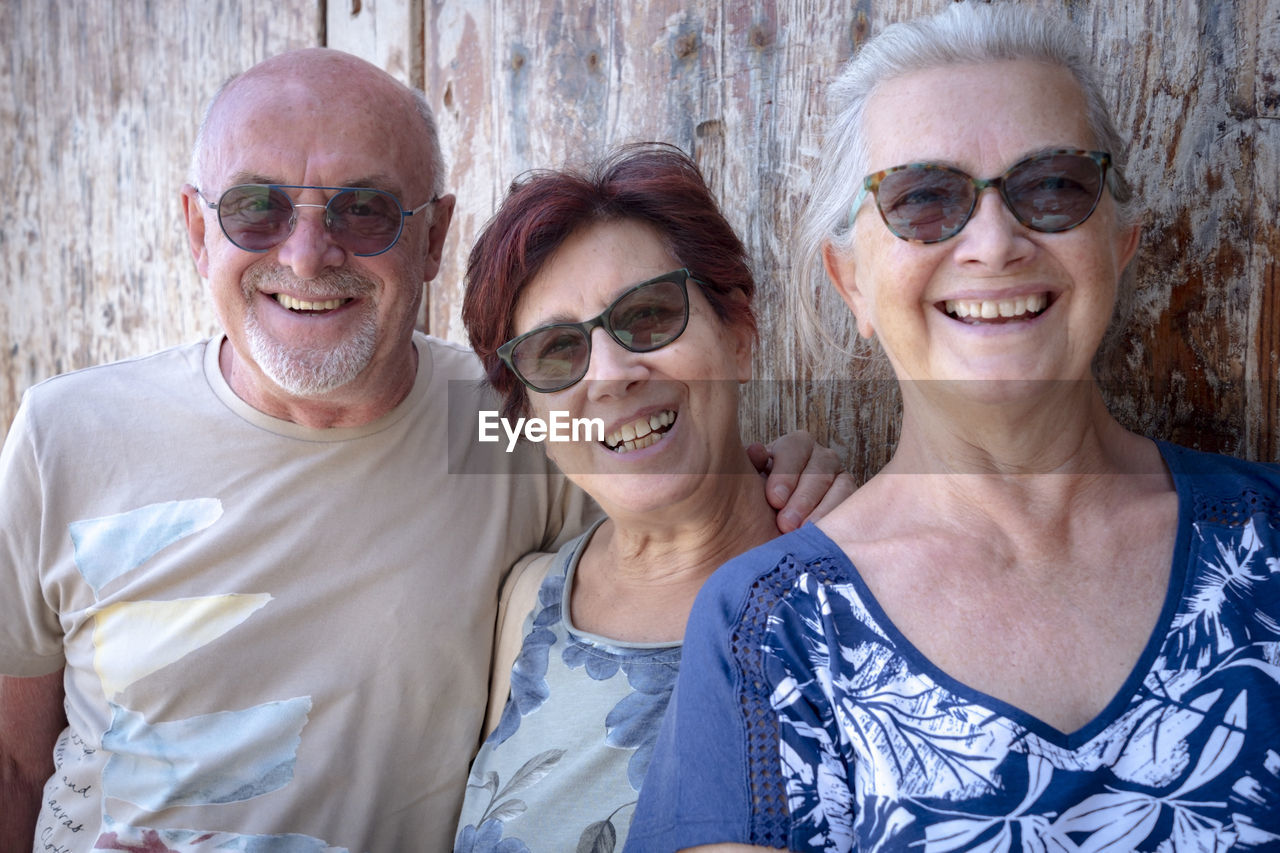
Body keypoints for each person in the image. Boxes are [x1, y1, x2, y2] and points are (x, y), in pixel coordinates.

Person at [0, 50, 846, 853]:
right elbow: (11, 762)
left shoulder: (505, 418)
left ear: (434, 235)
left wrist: (804, 479)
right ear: (195, 228)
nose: (305, 254)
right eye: (255, 207)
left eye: (361, 209)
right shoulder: (65, 436)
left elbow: (665, 460)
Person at [626, 4, 1280, 851]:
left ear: (1119, 243)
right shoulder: (773, 628)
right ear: (852, 281)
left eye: (1053, 185)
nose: (995, 241)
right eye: (924, 199)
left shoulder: (1267, 544)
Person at [450, 143, 854, 852]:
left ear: (739, 334)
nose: (610, 374)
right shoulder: (528, 605)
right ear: (530, 417)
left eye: (648, 314)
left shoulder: (855, 593)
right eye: (556, 351)